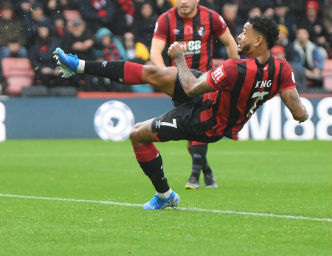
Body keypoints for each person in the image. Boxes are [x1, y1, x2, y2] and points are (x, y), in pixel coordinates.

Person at [55, 16, 308, 209]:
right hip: (210, 97)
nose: (239, 37)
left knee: (137, 134)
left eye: (244, 32)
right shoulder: (282, 69)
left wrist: (179, 57)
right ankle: (78, 66)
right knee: (153, 73)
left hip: (206, 122)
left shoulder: (234, 68)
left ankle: (165, 196)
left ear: (259, 41)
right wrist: (276, 98)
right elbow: (299, 113)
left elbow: (190, 87)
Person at [149, 0, 239, 190]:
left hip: (204, 82)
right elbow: (155, 51)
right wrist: (165, 75)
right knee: (190, 133)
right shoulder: (165, 20)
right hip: (179, 84)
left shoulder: (211, 17)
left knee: (201, 126)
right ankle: (207, 170)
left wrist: (234, 72)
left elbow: (230, 43)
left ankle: (194, 176)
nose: (183, 1)